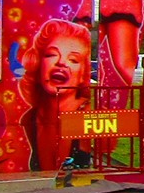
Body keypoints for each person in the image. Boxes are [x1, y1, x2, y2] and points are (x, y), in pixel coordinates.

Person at [18, 18, 92, 171]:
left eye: (73, 59)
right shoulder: (29, 119)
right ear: (37, 63)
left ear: (83, 73)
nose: (61, 63)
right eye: (52, 55)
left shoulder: (85, 115)